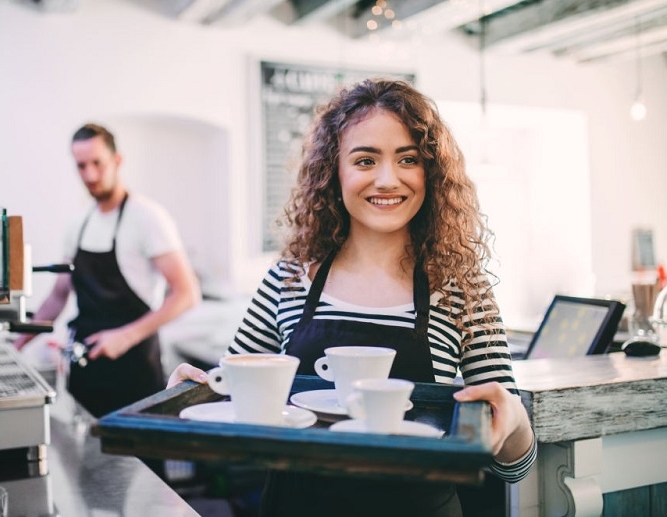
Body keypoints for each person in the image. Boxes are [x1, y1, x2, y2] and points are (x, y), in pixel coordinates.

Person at [169, 79, 536, 516]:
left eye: (408, 159)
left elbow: (516, 466)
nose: (388, 179)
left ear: (431, 171)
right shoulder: (288, 278)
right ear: (333, 171)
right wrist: (192, 396)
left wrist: (512, 421)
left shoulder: (461, 287)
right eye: (365, 160)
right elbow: (234, 400)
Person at [16, 123, 201, 420]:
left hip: (135, 372)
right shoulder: (77, 224)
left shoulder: (148, 218)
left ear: (117, 161)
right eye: (81, 166)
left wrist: (125, 337)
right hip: (85, 374)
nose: (89, 175)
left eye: (97, 164)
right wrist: (18, 345)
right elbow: (59, 295)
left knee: (136, 465)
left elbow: (187, 293)